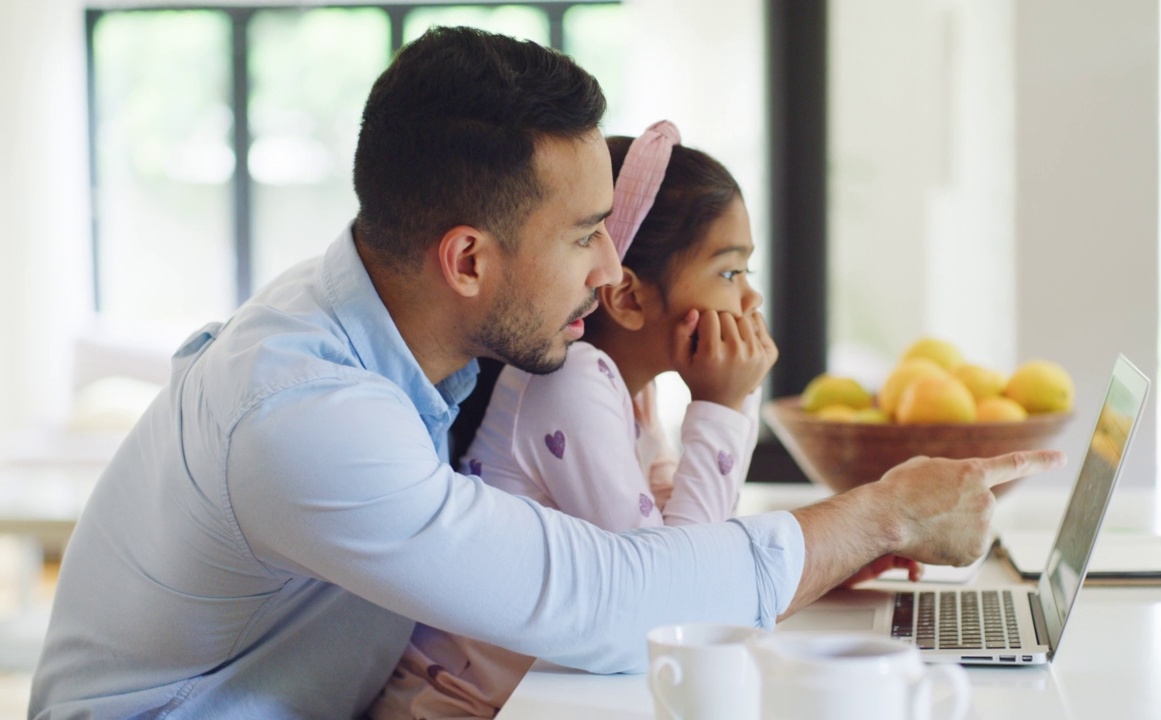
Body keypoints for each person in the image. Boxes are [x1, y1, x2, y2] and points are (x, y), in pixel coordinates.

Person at [29, 26, 1065, 720]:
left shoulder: (379, 326)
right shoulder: (304, 412)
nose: (611, 271)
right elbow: (609, 603)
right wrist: (881, 513)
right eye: (583, 237)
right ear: (467, 258)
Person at [371, 121, 817, 718]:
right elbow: (679, 600)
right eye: (730, 273)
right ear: (629, 297)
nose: (750, 302)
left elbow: (691, 550)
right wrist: (723, 404)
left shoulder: (627, 393)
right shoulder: (571, 382)